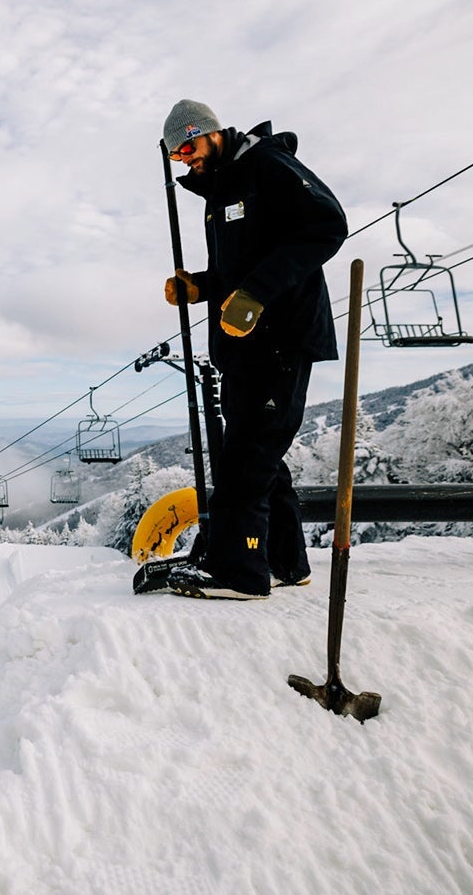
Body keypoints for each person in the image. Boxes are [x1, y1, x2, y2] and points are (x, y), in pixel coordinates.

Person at [158, 98, 348, 599]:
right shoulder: (222, 191)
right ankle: (285, 562)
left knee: (246, 454)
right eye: (177, 156)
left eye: (189, 146)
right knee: (259, 450)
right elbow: (233, 273)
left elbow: (328, 226)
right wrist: (200, 287)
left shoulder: (266, 163)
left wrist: (257, 294)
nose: (186, 159)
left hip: (279, 340)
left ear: (211, 132)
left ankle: (238, 573)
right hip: (244, 348)